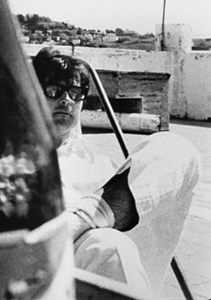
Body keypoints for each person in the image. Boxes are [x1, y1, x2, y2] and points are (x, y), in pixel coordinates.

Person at [32, 47, 200, 296]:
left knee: (175, 147)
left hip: (113, 262)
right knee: (107, 245)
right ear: (30, 95)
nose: (67, 100)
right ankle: (76, 225)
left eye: (75, 93)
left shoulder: (99, 165)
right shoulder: (8, 159)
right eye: (54, 90)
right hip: (46, 274)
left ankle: (80, 220)